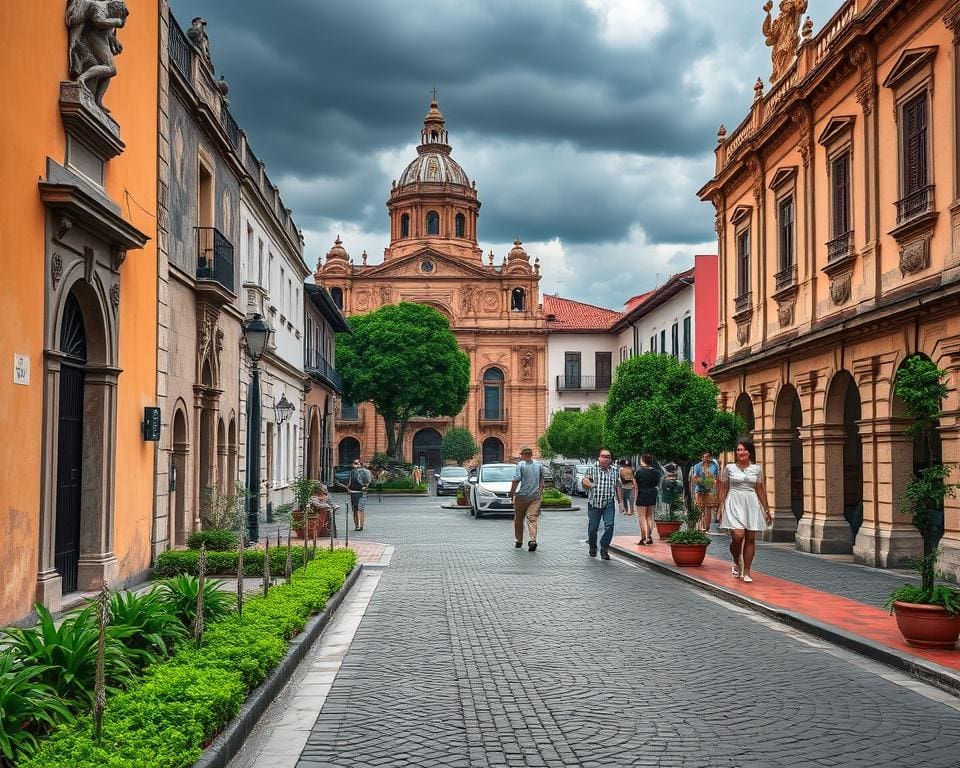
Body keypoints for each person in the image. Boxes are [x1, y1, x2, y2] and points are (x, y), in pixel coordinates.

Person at [717, 438, 772, 583]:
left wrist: (766, 510)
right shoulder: (729, 468)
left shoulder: (757, 469)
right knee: (738, 536)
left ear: (750, 452)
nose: (740, 452)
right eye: (738, 450)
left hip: (751, 503)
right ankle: (736, 560)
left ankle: (747, 570)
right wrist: (720, 507)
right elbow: (723, 488)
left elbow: (760, 490)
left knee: (750, 538)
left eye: (743, 449)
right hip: (734, 502)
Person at [582, 448, 621, 560]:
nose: (605, 459)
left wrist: (621, 502)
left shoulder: (615, 471)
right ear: (598, 458)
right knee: (593, 529)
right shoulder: (591, 470)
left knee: (609, 525)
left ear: (610, 459)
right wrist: (588, 484)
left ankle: (604, 548)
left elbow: (617, 486)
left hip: (609, 503)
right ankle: (593, 547)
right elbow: (585, 481)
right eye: (603, 456)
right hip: (594, 503)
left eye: (608, 457)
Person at [508, 446, 545, 552]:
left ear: (523, 455)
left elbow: (516, 479)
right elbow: (542, 480)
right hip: (535, 497)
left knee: (519, 519)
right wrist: (541, 489)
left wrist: (511, 493)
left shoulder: (520, 464)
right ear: (531, 455)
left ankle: (519, 541)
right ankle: (533, 540)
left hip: (522, 497)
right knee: (532, 518)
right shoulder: (538, 464)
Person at [690, 451, 720, 531]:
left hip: (710, 490)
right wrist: (704, 481)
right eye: (704, 457)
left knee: (708, 508)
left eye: (707, 457)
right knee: (700, 508)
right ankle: (701, 526)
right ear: (702, 458)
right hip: (700, 489)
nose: (706, 459)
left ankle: (707, 527)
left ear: (710, 457)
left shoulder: (714, 466)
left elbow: (716, 478)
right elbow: (695, 477)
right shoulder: (697, 466)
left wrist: (712, 483)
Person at [634, 454, 660, 545]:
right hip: (652, 493)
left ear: (643, 461)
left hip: (642, 493)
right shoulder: (656, 472)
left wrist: (635, 498)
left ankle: (645, 538)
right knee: (649, 516)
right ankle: (649, 536)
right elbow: (657, 483)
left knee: (642, 517)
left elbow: (636, 486)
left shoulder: (639, 472)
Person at [347, 460, 372, 531]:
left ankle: (360, 525)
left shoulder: (365, 472)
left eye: (357, 463)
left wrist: (365, 487)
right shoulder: (352, 472)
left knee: (359, 509)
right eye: (354, 463)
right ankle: (357, 525)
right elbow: (349, 483)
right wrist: (348, 489)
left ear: (360, 464)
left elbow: (368, 482)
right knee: (355, 509)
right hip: (354, 493)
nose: (355, 465)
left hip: (361, 493)